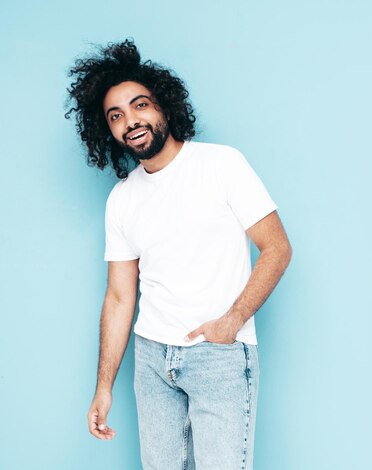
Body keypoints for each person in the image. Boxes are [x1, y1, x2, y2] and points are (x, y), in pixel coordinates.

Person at [65, 39, 292, 469]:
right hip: (152, 360)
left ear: (164, 107)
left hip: (219, 356)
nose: (130, 121)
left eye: (140, 105)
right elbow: (118, 297)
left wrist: (233, 320)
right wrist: (104, 387)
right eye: (116, 116)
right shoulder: (122, 199)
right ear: (108, 131)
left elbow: (277, 247)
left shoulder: (221, 165)